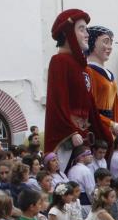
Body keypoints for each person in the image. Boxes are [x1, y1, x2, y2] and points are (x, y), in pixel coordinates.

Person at [44, 9, 111, 172]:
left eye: (86, 29)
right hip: (68, 135)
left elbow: (90, 106)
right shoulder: (59, 61)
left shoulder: (85, 68)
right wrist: (70, 131)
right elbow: (57, 101)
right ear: (67, 33)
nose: (87, 34)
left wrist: (104, 130)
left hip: (84, 133)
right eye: (81, 29)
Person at [86, 26, 118, 142]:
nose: (109, 47)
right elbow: (89, 107)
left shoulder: (109, 74)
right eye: (105, 42)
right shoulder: (88, 71)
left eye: (111, 43)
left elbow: (116, 106)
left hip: (112, 126)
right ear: (93, 42)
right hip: (97, 126)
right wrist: (111, 124)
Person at [65, 145, 96, 214]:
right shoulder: (86, 170)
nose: (91, 156)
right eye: (89, 154)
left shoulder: (71, 169)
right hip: (85, 206)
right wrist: (95, 206)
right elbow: (90, 191)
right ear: (81, 157)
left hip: (73, 204)